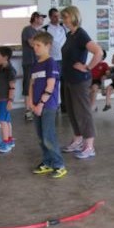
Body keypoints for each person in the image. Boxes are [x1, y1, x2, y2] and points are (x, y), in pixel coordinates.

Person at [60, 6, 103, 159]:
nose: (63, 20)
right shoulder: (70, 35)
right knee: (71, 111)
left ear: (73, 17)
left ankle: (89, 146)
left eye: (65, 17)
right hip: (68, 79)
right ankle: (78, 139)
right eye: (62, 17)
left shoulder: (80, 34)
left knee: (83, 112)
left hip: (79, 80)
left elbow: (99, 52)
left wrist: (87, 67)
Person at [27, 32, 66, 179]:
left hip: (48, 105)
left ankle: (59, 164)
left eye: (38, 45)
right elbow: (31, 84)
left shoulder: (51, 63)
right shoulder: (36, 65)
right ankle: (47, 162)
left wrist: (41, 103)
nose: (35, 48)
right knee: (40, 136)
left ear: (48, 46)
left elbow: (51, 85)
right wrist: (31, 101)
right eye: (34, 45)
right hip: (36, 105)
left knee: (48, 136)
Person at [22, 11, 46, 121]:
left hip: (40, 62)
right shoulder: (27, 30)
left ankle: (38, 107)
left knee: (39, 84)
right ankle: (28, 110)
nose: (43, 20)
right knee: (28, 85)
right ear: (36, 18)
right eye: (41, 18)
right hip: (29, 62)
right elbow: (32, 44)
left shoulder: (41, 31)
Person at [0, 46, 17, 154]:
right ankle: (10, 140)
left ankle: (6, 142)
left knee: (3, 121)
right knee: (6, 121)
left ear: (5, 57)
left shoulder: (10, 70)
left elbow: (12, 86)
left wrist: (10, 100)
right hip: (0, 98)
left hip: (5, 99)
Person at [44, 8, 68, 113]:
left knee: (65, 83)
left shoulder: (63, 27)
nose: (57, 18)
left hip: (64, 59)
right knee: (53, 84)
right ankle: (53, 105)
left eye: (58, 16)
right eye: (54, 16)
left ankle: (65, 106)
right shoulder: (45, 29)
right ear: (50, 17)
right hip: (52, 60)